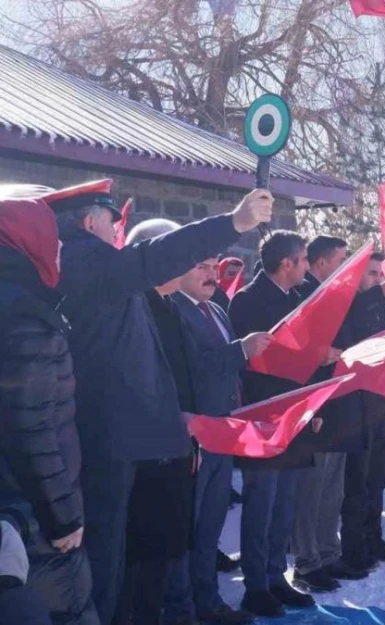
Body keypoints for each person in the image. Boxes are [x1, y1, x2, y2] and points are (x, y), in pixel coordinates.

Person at [49, 179, 270, 624]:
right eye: (112, 220)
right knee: (107, 568)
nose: (116, 230)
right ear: (90, 220)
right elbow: (152, 258)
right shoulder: (82, 260)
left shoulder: (96, 267)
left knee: (127, 564)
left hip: (129, 440)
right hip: (107, 441)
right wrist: (233, 222)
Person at [0, 191, 97, 625]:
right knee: (67, 609)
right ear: (28, 240)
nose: (59, 248)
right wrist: (61, 518)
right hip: (30, 512)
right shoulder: (25, 315)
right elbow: (30, 428)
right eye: (53, 237)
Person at [162, 252, 271, 625]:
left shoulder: (216, 310)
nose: (212, 275)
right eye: (201, 267)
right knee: (187, 528)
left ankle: (207, 602)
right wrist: (241, 349)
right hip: (194, 436)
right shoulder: (172, 310)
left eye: (213, 268)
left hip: (223, 431)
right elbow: (193, 367)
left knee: (210, 525)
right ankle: (182, 609)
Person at [114, 220, 202, 625]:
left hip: (175, 449)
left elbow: (182, 379)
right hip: (147, 458)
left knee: (167, 549)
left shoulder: (172, 306)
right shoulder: (132, 305)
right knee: (142, 558)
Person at [228, 231, 320, 617]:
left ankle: (276, 576)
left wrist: (315, 406)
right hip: (264, 417)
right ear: (287, 264)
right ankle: (256, 584)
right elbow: (243, 365)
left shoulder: (300, 299)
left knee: (285, 504)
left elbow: (309, 356)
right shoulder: (247, 301)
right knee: (261, 504)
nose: (306, 267)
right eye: (302, 260)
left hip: (296, 414)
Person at [291, 236, 367, 594]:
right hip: (316, 404)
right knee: (313, 488)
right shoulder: (305, 296)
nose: (347, 265)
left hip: (341, 400)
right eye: (341, 259)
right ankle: (307, 561)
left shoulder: (337, 296)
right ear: (321, 263)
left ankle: (328, 552)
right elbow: (295, 351)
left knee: (332, 487)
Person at [338, 253, 385, 573]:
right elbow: (360, 343)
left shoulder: (382, 307)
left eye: (381, 274)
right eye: (373, 273)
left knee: (378, 478)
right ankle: (353, 545)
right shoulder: (350, 307)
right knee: (358, 482)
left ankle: (373, 535)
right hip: (358, 409)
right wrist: (379, 295)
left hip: (383, 406)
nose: (379, 280)